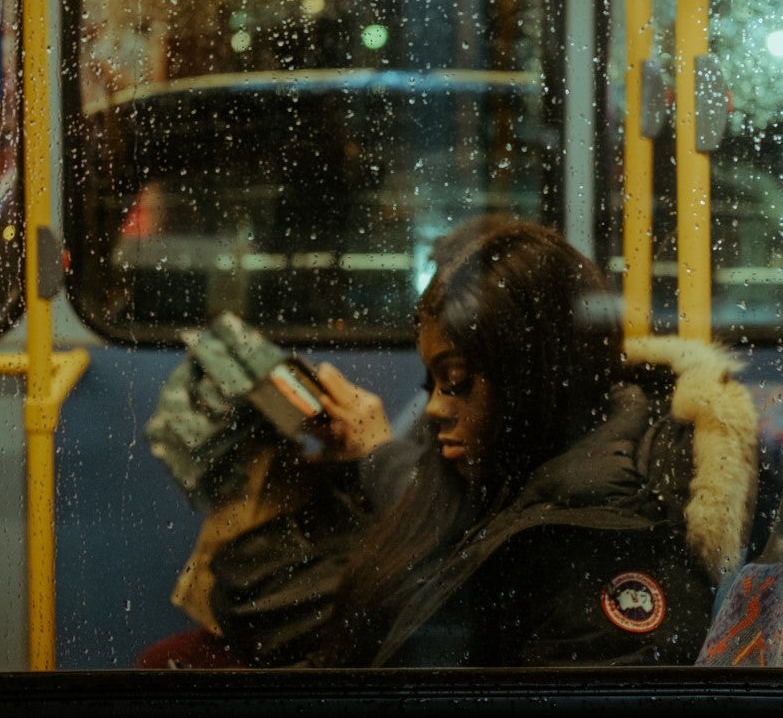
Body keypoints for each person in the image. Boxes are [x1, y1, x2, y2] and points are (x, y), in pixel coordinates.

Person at [138, 215, 761, 668]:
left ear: (530, 381)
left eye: (457, 382)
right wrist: (370, 452)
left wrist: (378, 453)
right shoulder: (528, 462)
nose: (436, 408)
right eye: (433, 381)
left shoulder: (601, 546)